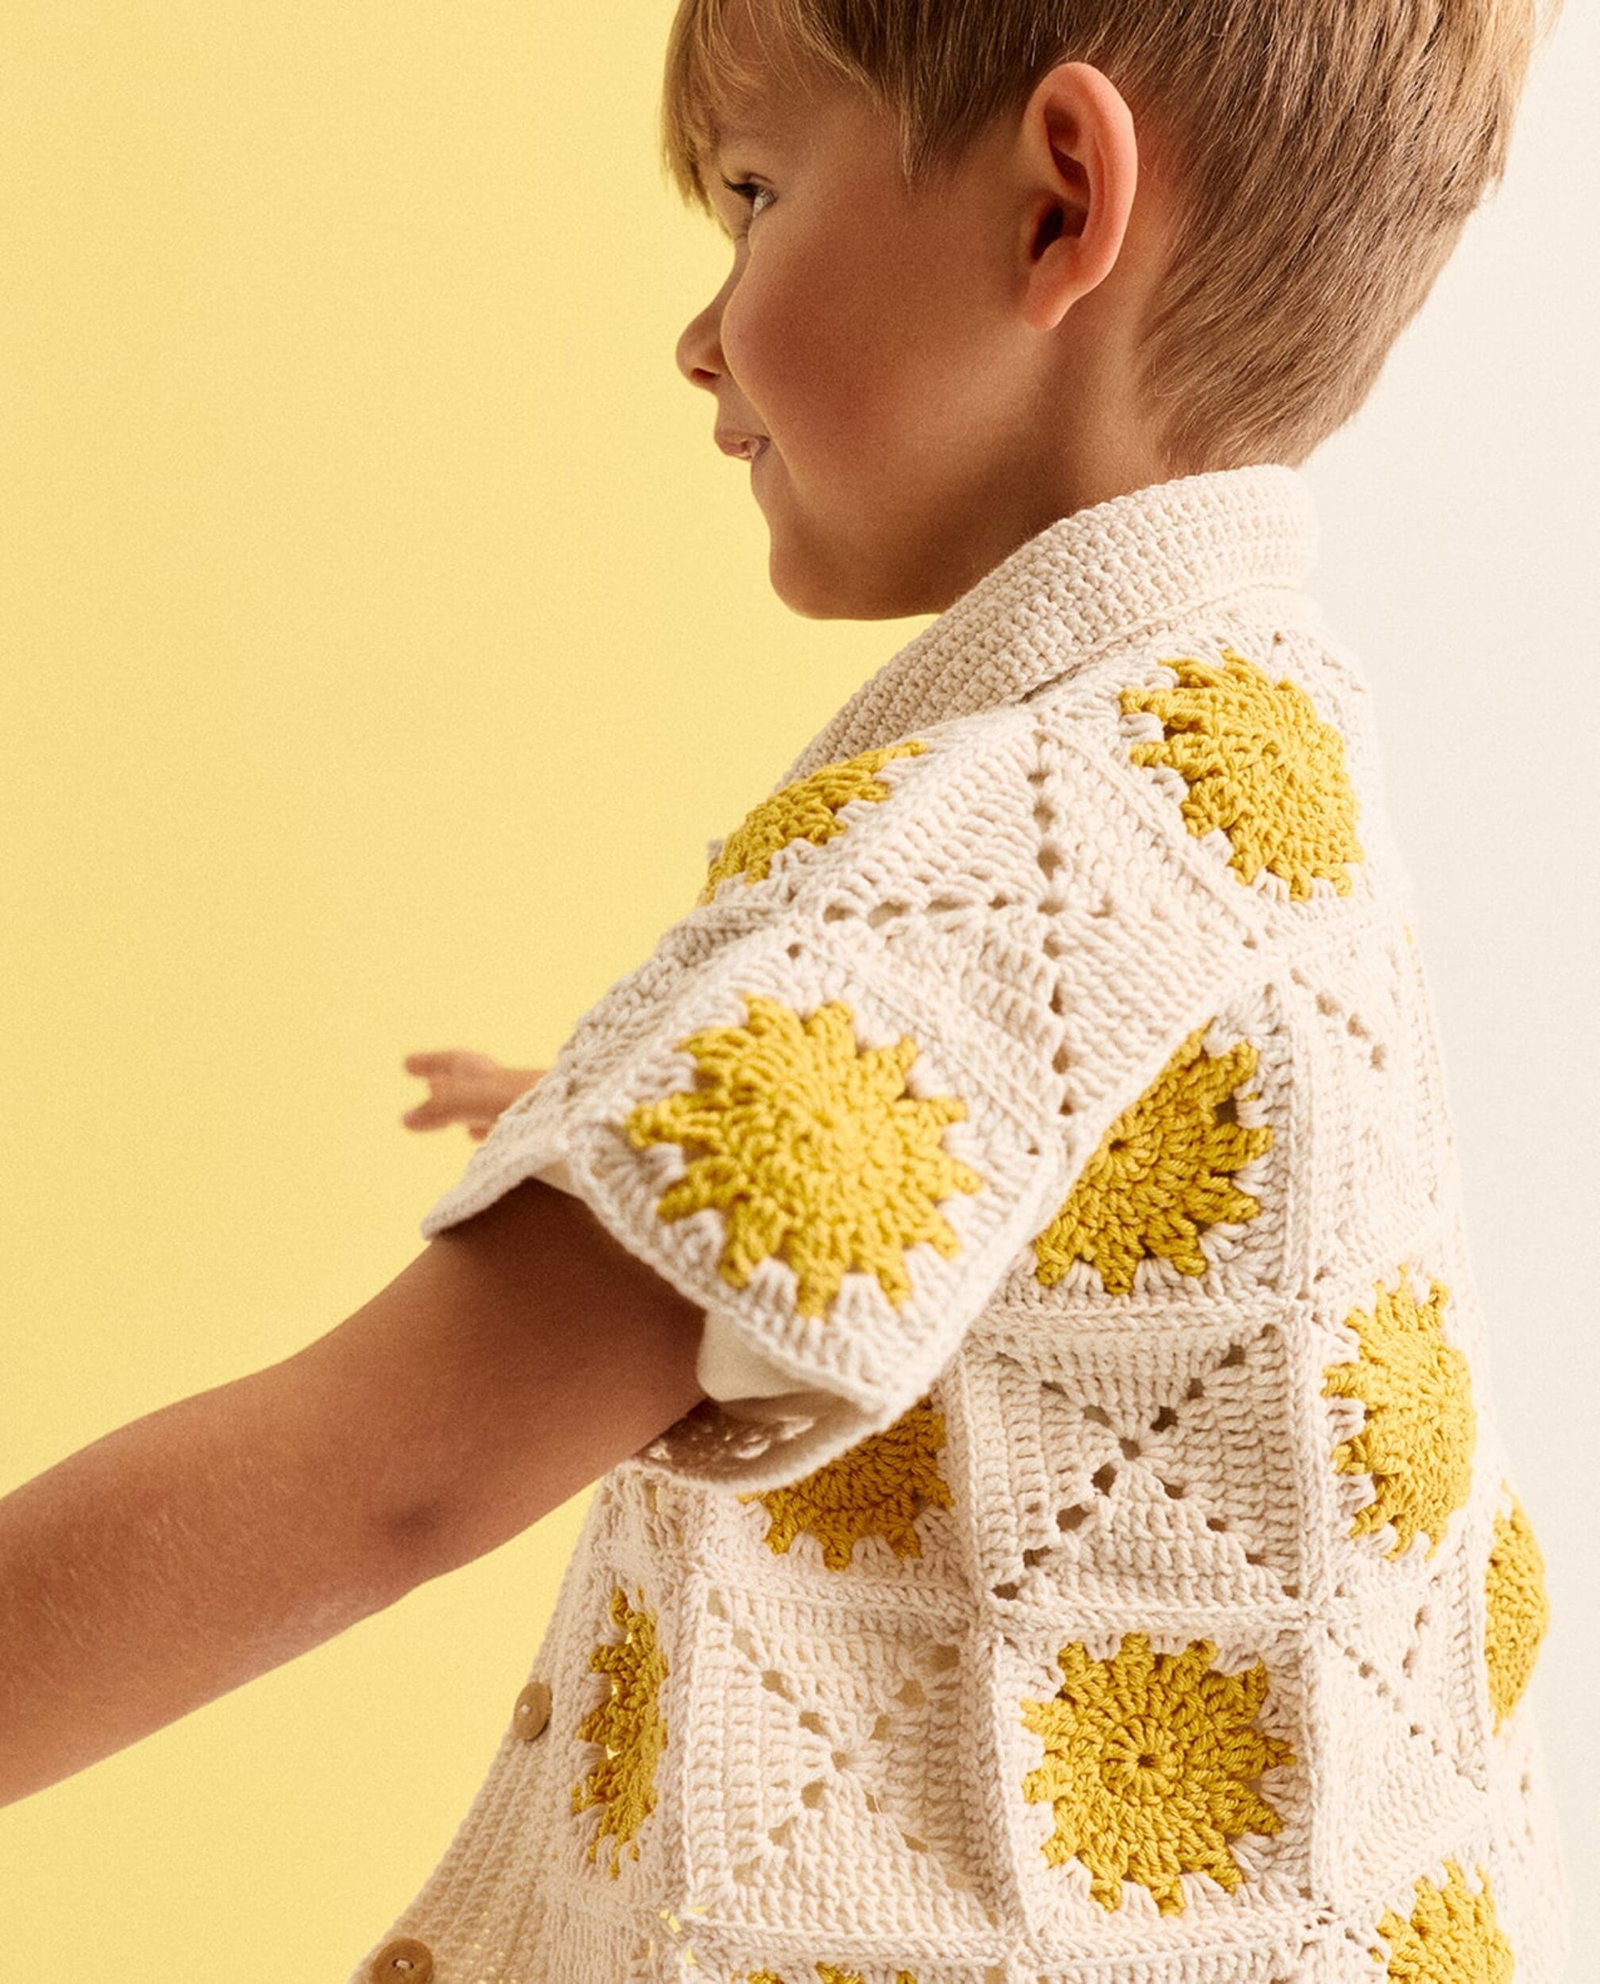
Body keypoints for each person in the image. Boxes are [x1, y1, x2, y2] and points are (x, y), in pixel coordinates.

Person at [0, 0, 1571, 1975]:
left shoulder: (1031, 827)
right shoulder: (1257, 754)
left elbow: (383, 1477)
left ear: (1056, 206)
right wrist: (670, 1123)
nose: (699, 334)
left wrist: (669, 1184)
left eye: (753, 195)